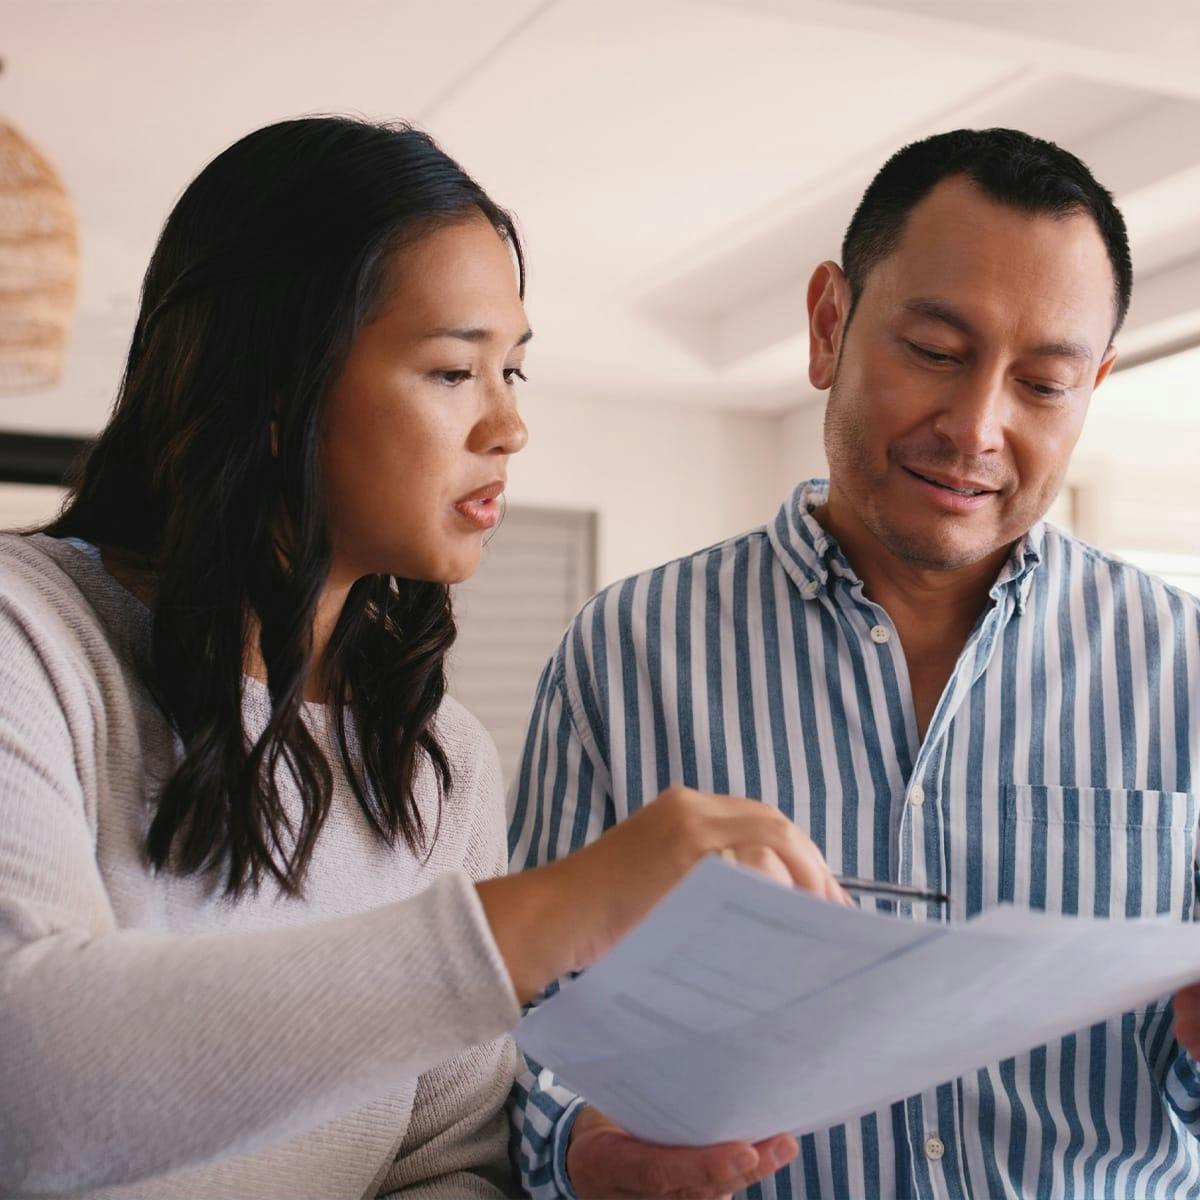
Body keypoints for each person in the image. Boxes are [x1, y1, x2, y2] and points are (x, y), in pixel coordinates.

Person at [0, 116, 844, 1199]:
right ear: (270, 388)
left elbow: (441, 1162)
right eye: (452, 370)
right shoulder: (31, 639)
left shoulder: (439, 761)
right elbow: (28, 1088)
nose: (508, 427)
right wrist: (553, 910)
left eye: (512, 370)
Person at [509, 127, 1200, 1199]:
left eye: (1043, 384)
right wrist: (579, 1152)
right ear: (830, 324)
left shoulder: (1185, 669)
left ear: (1093, 386)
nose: (977, 427)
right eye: (936, 352)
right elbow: (523, 1041)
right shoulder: (629, 652)